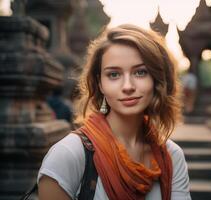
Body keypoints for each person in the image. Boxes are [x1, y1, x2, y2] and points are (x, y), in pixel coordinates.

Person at [37, 24, 191, 200]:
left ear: (157, 79)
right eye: (114, 75)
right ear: (100, 84)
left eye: (140, 72)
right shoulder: (68, 155)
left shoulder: (171, 157)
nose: (128, 86)